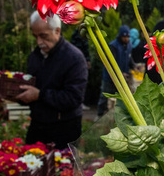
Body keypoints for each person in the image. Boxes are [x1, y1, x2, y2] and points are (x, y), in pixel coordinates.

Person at [17, 11, 87, 149]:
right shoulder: (35, 56)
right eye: (35, 36)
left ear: (57, 31)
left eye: (43, 36)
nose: (39, 42)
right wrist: (18, 95)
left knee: (62, 169)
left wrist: (39, 95)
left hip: (65, 128)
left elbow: (74, 97)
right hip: (38, 126)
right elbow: (32, 86)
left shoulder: (74, 58)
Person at [97, 25, 133, 117]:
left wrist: (135, 66)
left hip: (122, 78)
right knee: (105, 95)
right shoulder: (113, 46)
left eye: (127, 37)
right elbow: (110, 62)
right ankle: (99, 115)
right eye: (124, 37)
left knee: (120, 98)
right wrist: (120, 73)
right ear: (120, 36)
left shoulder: (129, 45)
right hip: (110, 77)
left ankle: (116, 116)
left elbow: (129, 59)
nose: (126, 39)